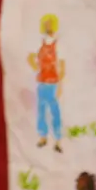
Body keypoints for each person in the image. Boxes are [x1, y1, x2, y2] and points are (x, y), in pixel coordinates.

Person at [27, 13, 65, 152]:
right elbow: (30, 57)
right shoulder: (40, 42)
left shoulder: (59, 44)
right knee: (41, 110)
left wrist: (60, 85)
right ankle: (43, 137)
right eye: (46, 24)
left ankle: (58, 140)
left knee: (55, 111)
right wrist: (37, 68)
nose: (48, 27)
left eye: (50, 24)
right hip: (42, 82)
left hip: (53, 83)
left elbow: (62, 66)